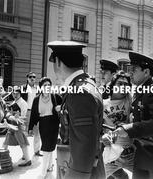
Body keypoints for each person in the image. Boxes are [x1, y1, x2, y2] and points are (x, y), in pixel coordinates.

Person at [48, 40, 105, 179]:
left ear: (58, 62)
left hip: (83, 171)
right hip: (85, 168)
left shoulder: (80, 92)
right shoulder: (84, 84)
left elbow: (84, 144)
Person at [113, 52, 153, 179]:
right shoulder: (141, 90)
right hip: (142, 156)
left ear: (146, 72)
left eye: (134, 70)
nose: (130, 73)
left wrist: (128, 129)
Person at [102, 70, 134, 178]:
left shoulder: (129, 99)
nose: (123, 86)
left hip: (131, 153)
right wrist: (103, 136)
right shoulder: (103, 104)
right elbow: (99, 129)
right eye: (120, 83)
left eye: (126, 84)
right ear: (113, 85)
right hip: (112, 156)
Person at [28, 77, 62, 178]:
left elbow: (65, 104)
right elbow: (33, 114)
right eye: (45, 85)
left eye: (49, 85)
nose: (47, 87)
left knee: (47, 148)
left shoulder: (55, 96)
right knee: (48, 146)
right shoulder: (36, 99)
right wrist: (30, 128)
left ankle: (43, 172)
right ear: (41, 87)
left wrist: (60, 108)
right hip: (43, 124)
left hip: (53, 124)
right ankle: (50, 165)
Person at [2, 87, 31, 167]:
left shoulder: (22, 103)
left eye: (17, 93)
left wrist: (20, 122)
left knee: (22, 142)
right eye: (13, 93)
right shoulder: (15, 101)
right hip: (13, 123)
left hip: (18, 124)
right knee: (7, 139)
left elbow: (23, 115)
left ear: (20, 93)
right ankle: (1, 155)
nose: (15, 95)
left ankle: (28, 159)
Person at [21, 72, 42, 156]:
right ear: (27, 78)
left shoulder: (38, 88)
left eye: (34, 77)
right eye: (30, 77)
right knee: (24, 133)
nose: (32, 78)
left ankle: (37, 151)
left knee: (37, 132)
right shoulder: (23, 88)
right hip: (26, 112)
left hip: (36, 112)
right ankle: (24, 154)